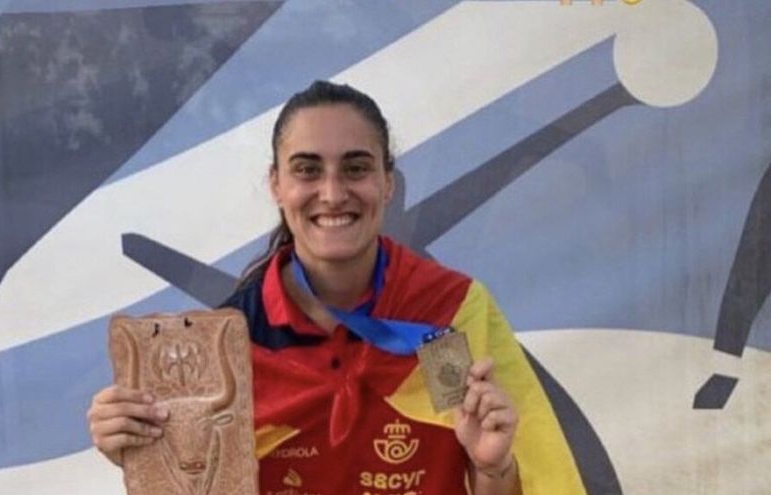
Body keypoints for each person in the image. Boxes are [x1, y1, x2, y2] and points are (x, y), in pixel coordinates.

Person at [88, 81, 585, 494]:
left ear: (387, 182)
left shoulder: (441, 317)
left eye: (356, 167)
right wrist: (142, 455)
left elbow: (530, 478)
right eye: (307, 169)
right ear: (277, 185)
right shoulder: (231, 347)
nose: (332, 192)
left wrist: (494, 470)